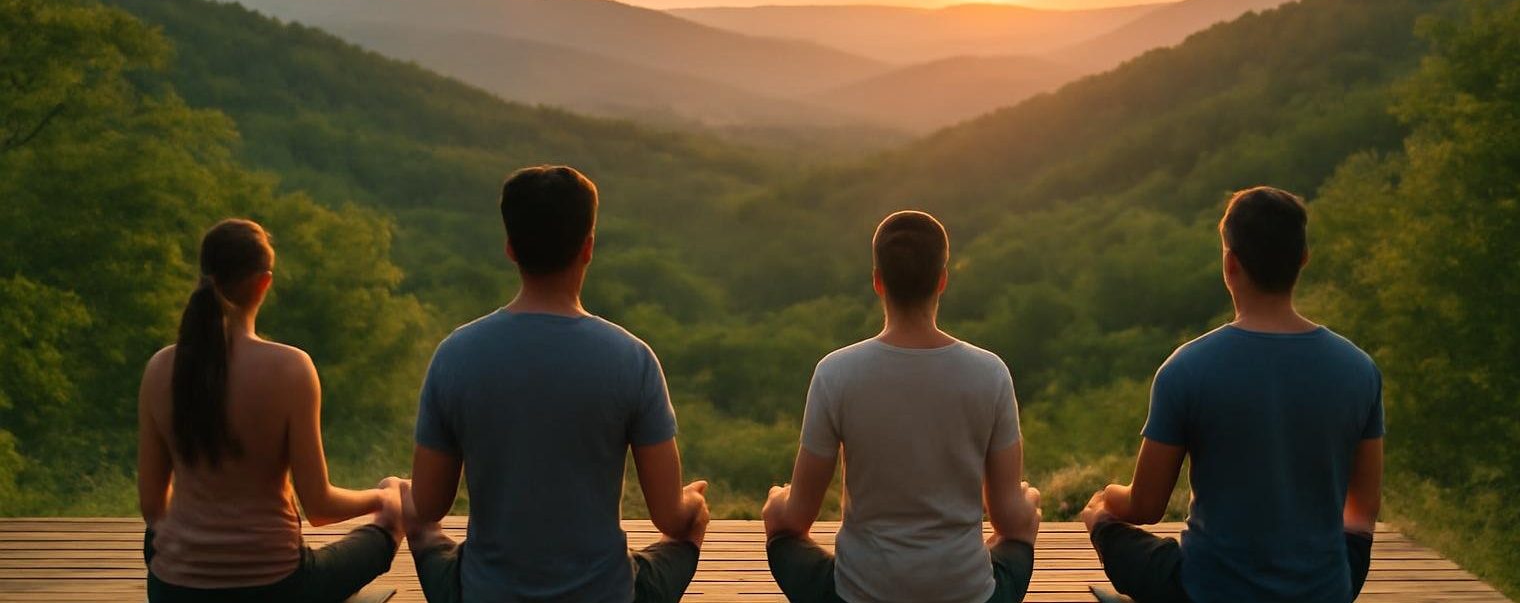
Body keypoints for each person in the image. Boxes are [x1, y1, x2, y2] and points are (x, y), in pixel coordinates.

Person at [403, 165, 709, 603]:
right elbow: (669, 519)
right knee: (690, 527)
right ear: (588, 248)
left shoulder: (455, 355)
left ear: (510, 249)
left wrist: (398, 498)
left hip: (483, 594)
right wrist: (693, 505)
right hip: (607, 594)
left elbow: (429, 507)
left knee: (414, 516)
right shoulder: (632, 359)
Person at [1080, 187, 1384, 603]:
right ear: (1303, 259)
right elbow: (1362, 510)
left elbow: (1146, 507)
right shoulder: (1359, 369)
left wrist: (1105, 499)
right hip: (1324, 590)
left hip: (1208, 591)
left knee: (1104, 523)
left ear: (1230, 263)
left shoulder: (1187, 368)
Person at [760, 210, 1042, 603]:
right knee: (1020, 533)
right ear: (942, 281)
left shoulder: (836, 373)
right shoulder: (990, 373)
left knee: (780, 533)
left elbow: (798, 518)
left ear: (878, 282)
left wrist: (777, 505)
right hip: (970, 596)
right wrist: (1028, 505)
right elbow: (1008, 519)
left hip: (858, 595)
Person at [137, 219, 406, 602]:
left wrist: (198, 544)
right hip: (276, 590)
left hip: (173, 591)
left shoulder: (160, 368)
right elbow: (320, 507)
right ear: (264, 282)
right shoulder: (291, 368)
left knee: (159, 538)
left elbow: (152, 507)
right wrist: (385, 497)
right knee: (388, 524)